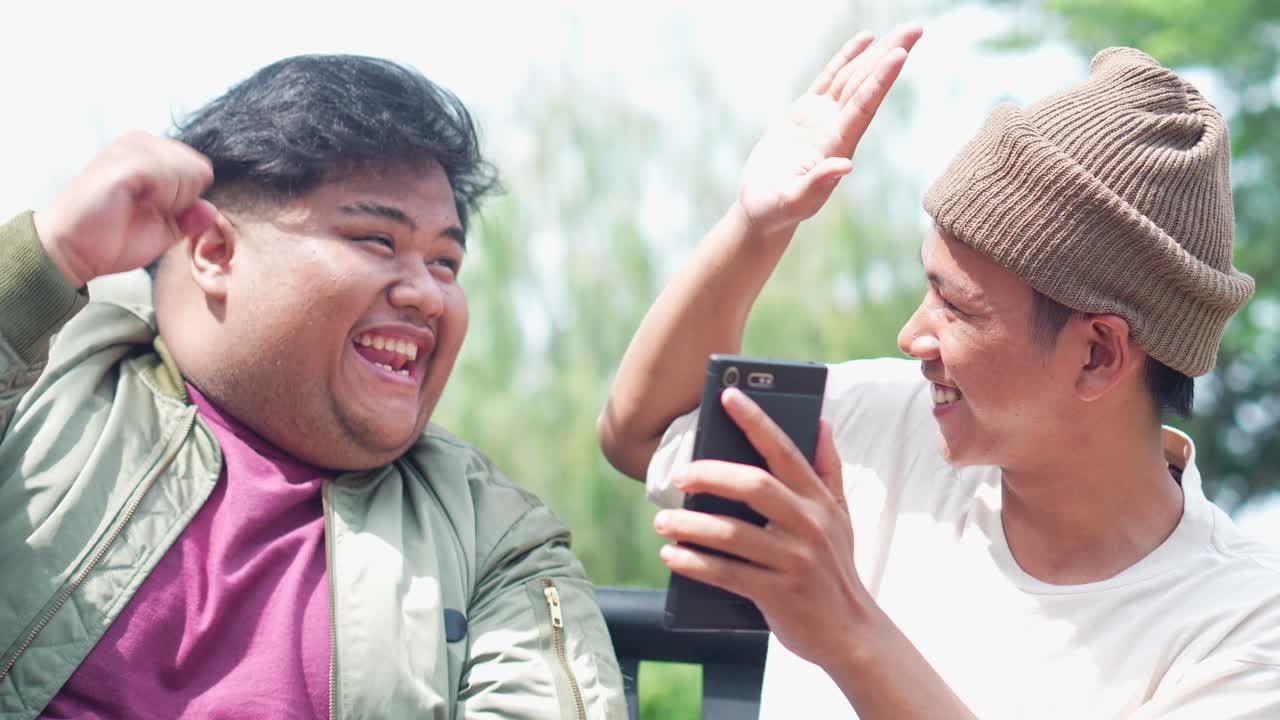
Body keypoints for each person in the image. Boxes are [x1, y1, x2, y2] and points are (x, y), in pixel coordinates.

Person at [598, 25, 1280, 718]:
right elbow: (643, 436)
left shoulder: (1242, 626)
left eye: (955, 307)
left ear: (1099, 354)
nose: (911, 335)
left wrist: (847, 633)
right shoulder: (885, 424)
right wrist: (755, 227)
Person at [0, 54, 625, 719]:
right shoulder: (50, 383)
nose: (428, 295)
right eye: (378, 240)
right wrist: (46, 258)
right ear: (216, 253)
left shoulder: (492, 536)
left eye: (445, 261)